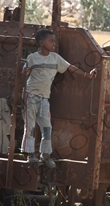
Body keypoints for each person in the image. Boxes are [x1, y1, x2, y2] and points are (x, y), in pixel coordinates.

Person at [21, 29, 97, 168]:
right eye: (51, 41)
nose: (53, 44)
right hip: (30, 96)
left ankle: (45, 155)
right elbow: (26, 70)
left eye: (54, 41)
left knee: (47, 128)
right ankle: (30, 154)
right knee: (30, 126)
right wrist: (25, 70)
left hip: (44, 98)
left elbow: (70, 68)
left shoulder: (55, 58)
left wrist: (87, 75)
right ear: (41, 42)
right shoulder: (33, 58)